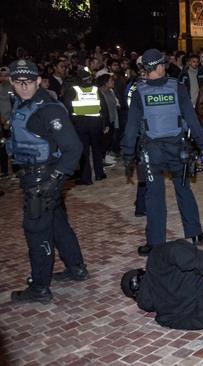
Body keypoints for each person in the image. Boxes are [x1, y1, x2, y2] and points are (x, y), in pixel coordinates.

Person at [6, 60, 88, 304]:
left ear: (38, 81)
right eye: (19, 82)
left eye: (29, 82)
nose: (24, 87)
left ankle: (40, 287)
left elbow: (74, 148)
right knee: (57, 224)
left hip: (44, 178)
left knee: (36, 231)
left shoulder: (48, 108)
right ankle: (76, 267)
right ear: (11, 82)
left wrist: (54, 179)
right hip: (35, 175)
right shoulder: (22, 103)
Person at [121, 49, 203, 256]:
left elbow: (131, 127)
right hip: (178, 149)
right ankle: (195, 233)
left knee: (154, 197)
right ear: (160, 66)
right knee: (184, 190)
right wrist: (202, 143)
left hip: (152, 152)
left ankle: (155, 243)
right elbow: (192, 118)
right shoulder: (177, 88)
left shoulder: (139, 92)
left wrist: (128, 154)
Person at [63, 67, 107, 185]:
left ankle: (86, 178)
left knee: (84, 151)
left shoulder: (73, 90)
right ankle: (99, 174)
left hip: (80, 124)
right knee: (97, 149)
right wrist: (105, 123)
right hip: (96, 123)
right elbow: (104, 107)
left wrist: (69, 124)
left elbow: (66, 108)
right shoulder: (95, 89)